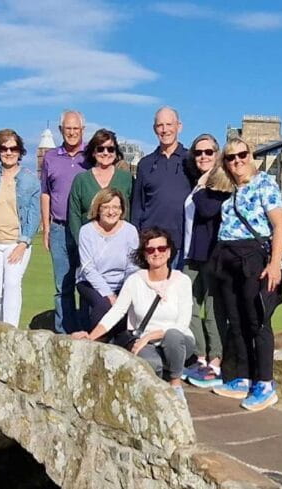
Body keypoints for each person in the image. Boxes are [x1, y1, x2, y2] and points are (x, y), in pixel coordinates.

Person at [209, 137, 282, 412]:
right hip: (227, 257)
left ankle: (265, 383)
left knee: (258, 321)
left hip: (253, 257)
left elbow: (280, 224)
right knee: (237, 320)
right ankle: (242, 377)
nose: (237, 161)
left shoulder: (264, 183)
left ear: (251, 154)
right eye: (230, 157)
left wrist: (275, 263)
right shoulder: (230, 187)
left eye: (241, 155)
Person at [72, 227, 195, 401]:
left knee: (173, 336)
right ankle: (163, 374)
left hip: (178, 341)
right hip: (147, 344)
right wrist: (92, 337)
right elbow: (116, 312)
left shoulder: (182, 281)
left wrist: (151, 335)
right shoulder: (135, 280)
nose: (156, 253)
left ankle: (176, 383)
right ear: (144, 255)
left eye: (161, 249)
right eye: (150, 250)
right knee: (151, 364)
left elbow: (182, 323)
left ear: (169, 252)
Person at [0, 129, 41, 327]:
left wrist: (24, 242)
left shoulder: (30, 180)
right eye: (4, 148)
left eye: (13, 148)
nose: (9, 152)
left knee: (12, 285)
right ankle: (2, 330)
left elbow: (33, 214)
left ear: (20, 151)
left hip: (16, 241)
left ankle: (11, 331)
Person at [182, 134, 232, 388]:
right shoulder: (196, 183)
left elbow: (208, 210)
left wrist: (202, 184)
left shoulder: (220, 183)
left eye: (209, 152)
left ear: (217, 155)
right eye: (198, 152)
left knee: (213, 311)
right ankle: (200, 357)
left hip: (211, 258)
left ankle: (216, 360)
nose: (203, 156)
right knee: (187, 307)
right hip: (191, 256)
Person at [40, 110, 89, 333]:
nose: (71, 133)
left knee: (88, 284)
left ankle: (89, 331)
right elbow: (45, 193)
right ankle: (64, 334)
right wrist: (47, 228)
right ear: (62, 130)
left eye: (75, 129)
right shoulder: (50, 157)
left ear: (82, 130)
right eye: (68, 128)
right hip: (59, 227)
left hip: (87, 230)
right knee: (63, 285)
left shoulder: (91, 155)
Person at [131, 107, 193, 270]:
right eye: (160, 125)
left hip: (181, 244)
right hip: (152, 245)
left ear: (179, 126)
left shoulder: (191, 160)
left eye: (169, 124)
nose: (165, 130)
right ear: (154, 129)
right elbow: (138, 206)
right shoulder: (145, 164)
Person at [75, 188, 139, 332]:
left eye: (116, 207)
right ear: (98, 209)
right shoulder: (86, 231)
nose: (111, 212)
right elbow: (88, 268)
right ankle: (96, 342)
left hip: (122, 283)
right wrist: (109, 294)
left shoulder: (130, 231)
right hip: (90, 283)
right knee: (104, 305)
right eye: (106, 207)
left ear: (122, 210)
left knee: (130, 304)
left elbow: (133, 266)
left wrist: (126, 292)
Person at [68, 129, 133, 245]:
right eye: (100, 149)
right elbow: (74, 215)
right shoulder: (81, 180)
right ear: (93, 152)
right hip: (89, 244)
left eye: (111, 149)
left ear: (116, 152)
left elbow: (133, 211)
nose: (106, 153)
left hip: (120, 245)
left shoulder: (127, 179)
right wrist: (81, 243)